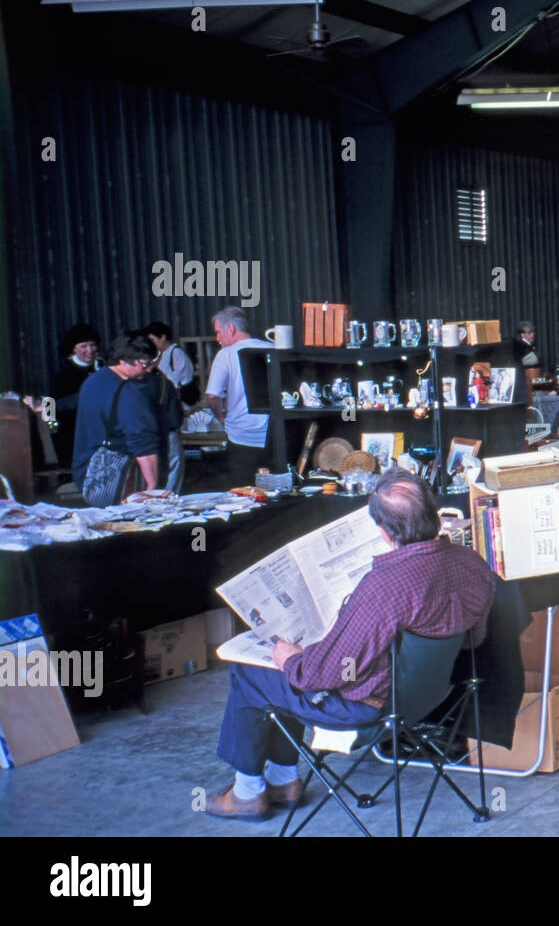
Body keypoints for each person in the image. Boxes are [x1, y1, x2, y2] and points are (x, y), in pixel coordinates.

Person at [204, 470, 497, 821]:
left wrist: (291, 659)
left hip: (368, 708)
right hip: (432, 696)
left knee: (254, 671)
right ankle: (283, 781)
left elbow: (324, 674)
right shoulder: (473, 564)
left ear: (385, 532)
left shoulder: (384, 587)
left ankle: (248, 792)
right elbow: (472, 640)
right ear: (433, 515)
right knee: (296, 666)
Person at [71, 332, 162, 496]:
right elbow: (142, 439)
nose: (149, 369)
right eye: (144, 364)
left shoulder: (94, 379)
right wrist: (152, 487)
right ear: (123, 361)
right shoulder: (128, 391)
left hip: (87, 470)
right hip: (116, 478)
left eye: (92, 345)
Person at [205, 306, 272, 489]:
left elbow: (212, 396)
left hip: (242, 437)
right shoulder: (272, 348)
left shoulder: (225, 355)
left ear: (231, 329)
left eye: (218, 332)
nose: (217, 338)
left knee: (243, 494)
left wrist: (220, 416)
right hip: (274, 435)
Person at [144, 321, 193, 491]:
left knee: (172, 461)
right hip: (162, 414)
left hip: (175, 404)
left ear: (163, 337)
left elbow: (185, 381)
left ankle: (169, 494)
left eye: (153, 339)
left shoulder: (175, 353)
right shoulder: (156, 357)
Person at [136, 331, 185, 493]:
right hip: (166, 433)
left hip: (139, 436)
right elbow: (176, 417)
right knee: (172, 471)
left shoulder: (127, 382)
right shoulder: (163, 382)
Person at [50, 324, 102, 467]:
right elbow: (50, 407)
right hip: (73, 434)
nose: (89, 350)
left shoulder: (103, 367)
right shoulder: (64, 374)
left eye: (92, 345)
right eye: (83, 346)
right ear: (73, 348)